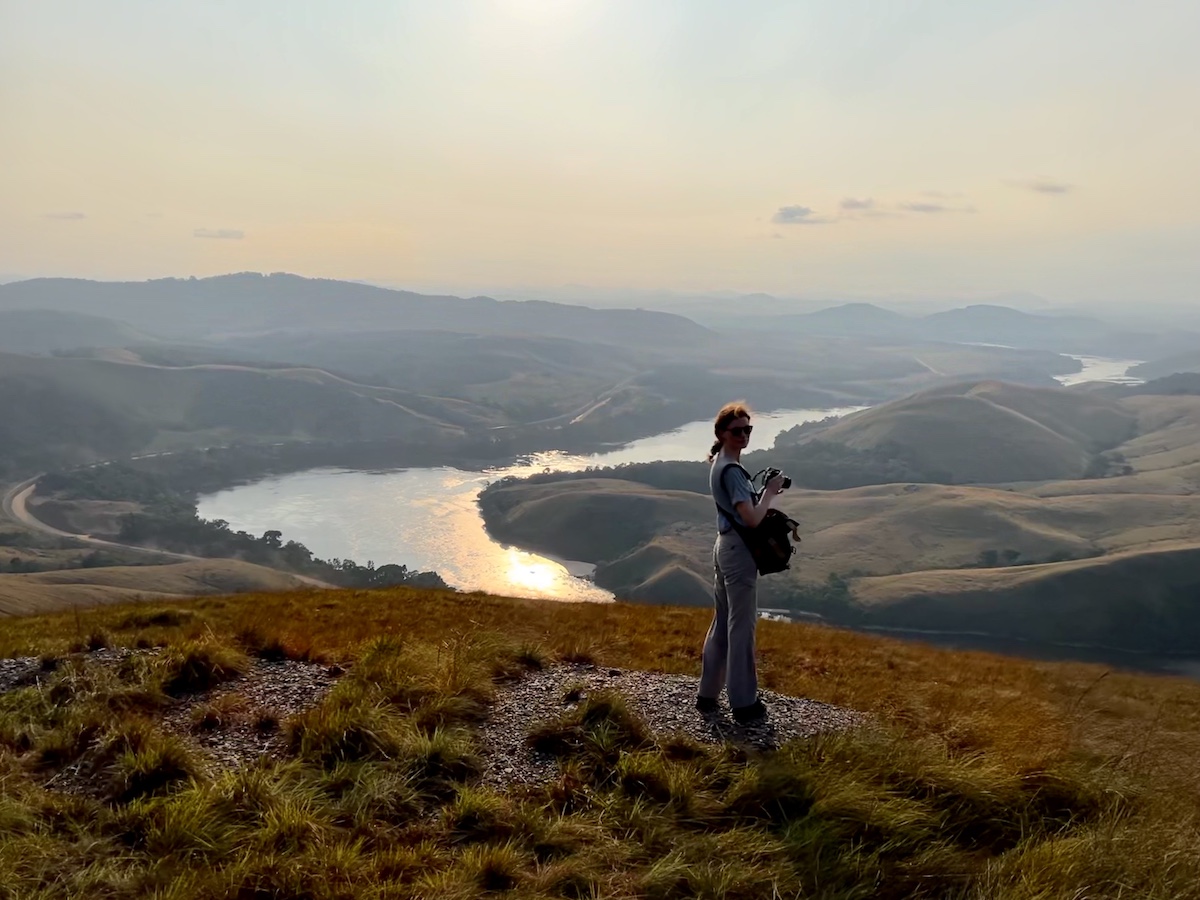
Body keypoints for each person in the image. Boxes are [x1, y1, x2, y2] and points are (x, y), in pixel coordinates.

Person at [696, 401, 785, 724]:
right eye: (737, 431)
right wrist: (770, 494)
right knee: (741, 626)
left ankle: (708, 695)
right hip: (738, 552)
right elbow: (750, 519)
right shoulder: (732, 471)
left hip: (723, 548)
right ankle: (744, 704)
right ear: (721, 433)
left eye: (748, 430)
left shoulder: (719, 463)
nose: (744, 435)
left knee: (723, 621)